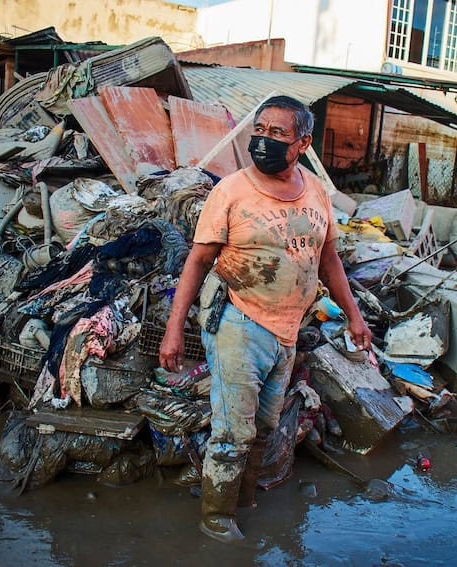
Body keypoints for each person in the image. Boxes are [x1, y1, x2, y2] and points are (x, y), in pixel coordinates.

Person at [159, 95, 371, 544]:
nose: (264, 140)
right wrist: (174, 329)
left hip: (288, 328)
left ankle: (244, 498)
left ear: (302, 142)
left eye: (278, 134)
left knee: (266, 426)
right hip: (238, 320)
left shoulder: (315, 189)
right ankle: (216, 516)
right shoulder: (231, 191)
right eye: (260, 130)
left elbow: (328, 257)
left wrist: (354, 317)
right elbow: (196, 262)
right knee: (234, 429)